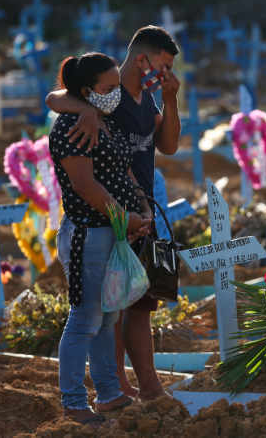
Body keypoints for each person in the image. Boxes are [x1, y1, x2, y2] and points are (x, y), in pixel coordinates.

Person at [46, 26, 181, 401]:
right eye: (163, 66)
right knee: (109, 311)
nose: (165, 74)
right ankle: (113, 389)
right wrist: (85, 106)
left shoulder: (143, 101)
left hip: (137, 215)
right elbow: (55, 97)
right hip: (105, 220)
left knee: (135, 305)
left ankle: (132, 389)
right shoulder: (106, 93)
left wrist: (170, 100)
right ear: (143, 60)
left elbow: (167, 145)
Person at [50, 52, 154, 428]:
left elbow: (124, 168)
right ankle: (74, 403)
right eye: (108, 88)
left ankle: (109, 393)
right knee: (84, 319)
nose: (115, 95)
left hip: (115, 230)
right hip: (88, 233)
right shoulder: (69, 127)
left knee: (108, 317)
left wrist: (141, 208)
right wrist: (121, 217)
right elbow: (83, 183)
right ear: (86, 91)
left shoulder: (102, 121)